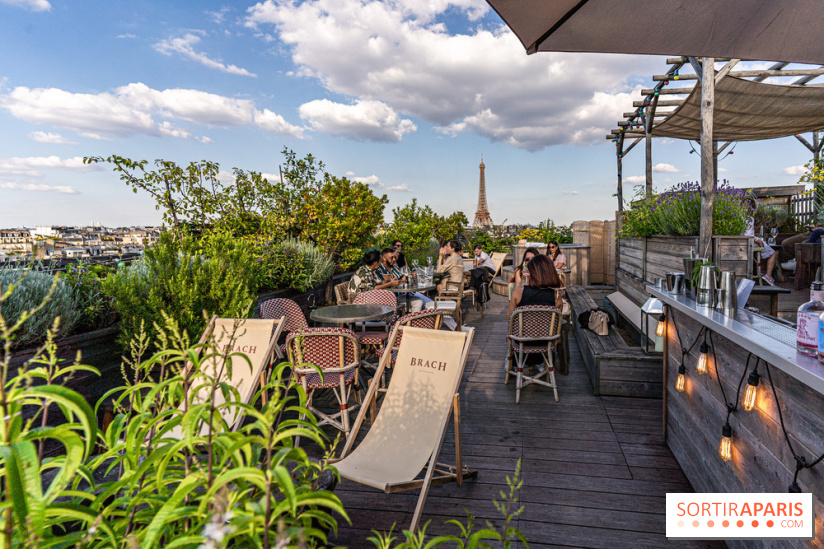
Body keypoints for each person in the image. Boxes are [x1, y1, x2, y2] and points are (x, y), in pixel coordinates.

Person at [507, 254, 563, 318]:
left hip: (524, 324)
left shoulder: (519, 291)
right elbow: (557, 319)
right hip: (545, 324)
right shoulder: (556, 296)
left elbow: (509, 316)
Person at [744, 215, 777, 285]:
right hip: (749, 243)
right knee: (772, 253)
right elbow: (748, 235)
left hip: (740, 243)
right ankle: (768, 276)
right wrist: (757, 240)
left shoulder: (736, 216)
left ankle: (761, 271)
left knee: (763, 251)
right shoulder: (748, 218)